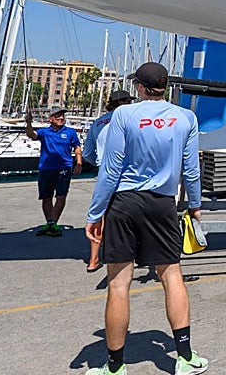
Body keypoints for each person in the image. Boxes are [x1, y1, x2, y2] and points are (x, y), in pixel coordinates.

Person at [85, 61, 207, 375]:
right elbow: (191, 169)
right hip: (162, 203)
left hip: (125, 202)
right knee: (172, 276)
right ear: (165, 86)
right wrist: (195, 205)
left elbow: (111, 169)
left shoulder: (123, 115)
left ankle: (115, 367)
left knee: (118, 283)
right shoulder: (185, 118)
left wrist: (95, 213)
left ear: (139, 87)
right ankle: (185, 358)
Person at [81, 89, 134, 272]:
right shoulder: (129, 119)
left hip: (105, 172)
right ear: (123, 102)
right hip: (128, 173)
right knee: (131, 214)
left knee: (99, 215)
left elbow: (87, 153)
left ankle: (93, 259)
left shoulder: (98, 123)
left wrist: (100, 162)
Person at [25, 105, 82, 236]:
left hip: (64, 168)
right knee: (46, 197)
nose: (61, 118)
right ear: (50, 119)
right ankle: (50, 223)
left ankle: (53, 223)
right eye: (57, 116)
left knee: (61, 196)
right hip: (46, 168)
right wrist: (28, 123)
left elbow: (77, 147)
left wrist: (78, 162)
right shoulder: (44, 132)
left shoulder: (70, 132)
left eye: (62, 116)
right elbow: (31, 135)